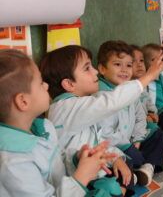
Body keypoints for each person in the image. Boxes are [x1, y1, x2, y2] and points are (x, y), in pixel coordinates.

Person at [39, 45, 163, 196]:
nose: (96, 72)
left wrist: (117, 158)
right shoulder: (65, 107)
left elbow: (98, 140)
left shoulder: (77, 104)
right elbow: (111, 101)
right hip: (77, 181)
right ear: (69, 84)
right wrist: (148, 76)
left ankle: (122, 186)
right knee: (113, 183)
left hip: (93, 168)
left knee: (124, 164)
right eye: (87, 68)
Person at [0, 49, 117, 196]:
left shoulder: (43, 127)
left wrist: (77, 160)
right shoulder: (13, 163)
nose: (47, 86)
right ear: (23, 101)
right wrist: (81, 177)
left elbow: (57, 164)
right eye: (41, 83)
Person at [96, 40, 163, 186]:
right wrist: (126, 146)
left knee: (157, 134)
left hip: (132, 141)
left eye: (129, 65)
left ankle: (147, 167)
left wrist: (137, 139)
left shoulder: (131, 90)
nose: (124, 70)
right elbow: (104, 132)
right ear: (102, 69)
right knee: (129, 161)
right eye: (117, 64)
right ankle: (148, 164)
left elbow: (140, 117)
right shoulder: (100, 96)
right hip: (115, 147)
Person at [131, 44, 163, 156]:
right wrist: (147, 116)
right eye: (133, 62)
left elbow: (149, 102)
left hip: (154, 116)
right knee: (158, 130)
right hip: (141, 125)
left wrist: (152, 112)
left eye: (141, 60)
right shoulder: (138, 85)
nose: (139, 64)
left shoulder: (146, 83)